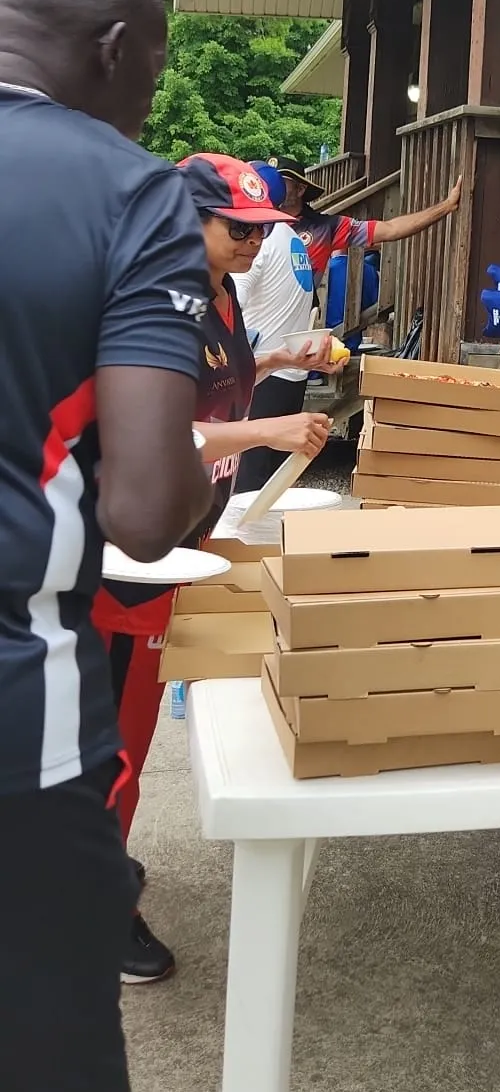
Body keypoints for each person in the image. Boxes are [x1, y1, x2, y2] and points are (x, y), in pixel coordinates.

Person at [0, 0, 215, 1092]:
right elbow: (143, 510)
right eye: (156, 70)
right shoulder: (130, 191)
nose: (149, 101)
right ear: (117, 47)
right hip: (17, 720)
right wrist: (197, 477)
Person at [92, 154, 339, 983]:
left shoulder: (220, 296)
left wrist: (274, 361)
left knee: (127, 733)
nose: (252, 242)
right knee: (113, 743)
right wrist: (267, 431)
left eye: (261, 229)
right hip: (126, 563)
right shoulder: (153, 302)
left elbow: (218, 383)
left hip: (176, 545)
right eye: (237, 227)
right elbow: (159, 433)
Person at [232, 162, 323, 493]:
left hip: (260, 376)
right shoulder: (291, 238)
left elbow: (232, 303)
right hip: (289, 374)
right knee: (271, 486)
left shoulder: (259, 242)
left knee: (245, 486)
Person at [269, 153, 463, 287]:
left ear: (300, 189)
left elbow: (391, 229)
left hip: (296, 326)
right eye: (268, 181)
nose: (271, 187)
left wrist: (446, 206)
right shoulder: (258, 225)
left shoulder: (325, 227)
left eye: (280, 182)